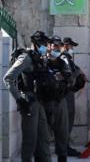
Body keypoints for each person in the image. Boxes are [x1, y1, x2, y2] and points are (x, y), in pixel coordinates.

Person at [3, 31, 52, 162]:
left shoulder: (40, 58)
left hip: (39, 101)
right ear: (36, 43)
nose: (46, 47)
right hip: (29, 102)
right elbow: (8, 78)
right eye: (43, 44)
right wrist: (19, 99)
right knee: (30, 140)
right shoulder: (26, 57)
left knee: (44, 139)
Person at [44, 36, 71, 162]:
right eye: (53, 45)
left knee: (62, 133)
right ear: (48, 46)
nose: (55, 48)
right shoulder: (42, 61)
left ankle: (62, 157)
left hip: (59, 101)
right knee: (43, 135)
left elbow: (70, 79)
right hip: (44, 101)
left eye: (57, 46)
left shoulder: (62, 62)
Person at [60, 37, 83, 157]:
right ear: (66, 45)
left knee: (68, 119)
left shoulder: (67, 58)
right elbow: (69, 74)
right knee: (67, 120)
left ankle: (65, 146)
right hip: (66, 92)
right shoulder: (64, 58)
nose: (72, 49)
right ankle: (64, 148)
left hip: (68, 92)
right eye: (71, 46)